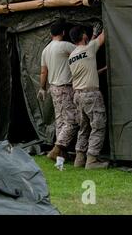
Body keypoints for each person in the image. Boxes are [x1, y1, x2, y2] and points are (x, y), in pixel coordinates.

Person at [68, 24, 109, 169]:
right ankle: (92, 160)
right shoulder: (89, 48)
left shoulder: (72, 56)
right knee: (98, 126)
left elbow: (85, 72)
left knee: (84, 128)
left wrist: (102, 71)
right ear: (84, 36)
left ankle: (79, 159)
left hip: (78, 96)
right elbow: (103, 36)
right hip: (91, 95)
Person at [38, 19, 78, 161]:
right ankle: (57, 148)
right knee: (72, 121)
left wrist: (42, 88)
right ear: (63, 32)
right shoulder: (65, 46)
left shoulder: (46, 50)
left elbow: (43, 72)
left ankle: (62, 153)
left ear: (51, 34)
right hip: (65, 87)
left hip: (53, 88)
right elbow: (83, 51)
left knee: (60, 120)